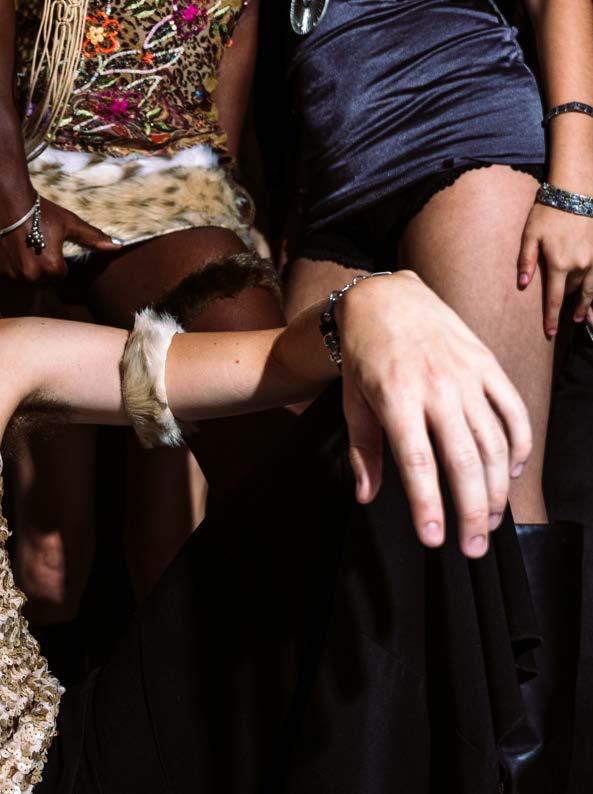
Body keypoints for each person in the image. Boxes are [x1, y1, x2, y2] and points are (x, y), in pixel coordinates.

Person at [0, 268, 533, 792]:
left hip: (69, 758)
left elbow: (268, 362)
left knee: (391, 418)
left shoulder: (11, 354)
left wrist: (370, 305)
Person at [271, 1, 593, 787]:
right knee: (322, 513)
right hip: (334, 199)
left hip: (459, 135)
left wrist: (574, 185)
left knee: (499, 497)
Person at [0, 0, 273, 654]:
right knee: (51, 568)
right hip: (38, 206)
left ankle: (180, 714)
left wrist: (237, 238)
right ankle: (40, 719)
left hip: (172, 218)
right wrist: (12, 206)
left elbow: (219, 144)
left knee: (182, 531)